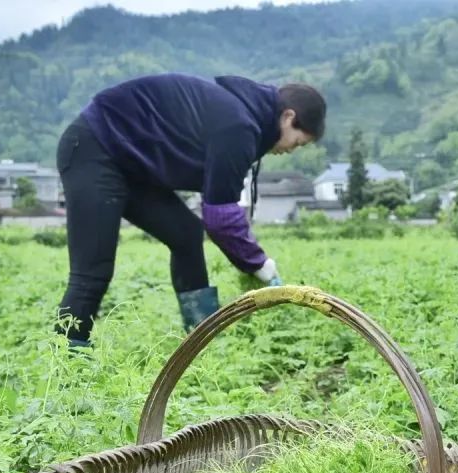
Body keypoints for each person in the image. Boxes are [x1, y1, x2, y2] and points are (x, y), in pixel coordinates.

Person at [56, 73, 326, 345]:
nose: (292, 150)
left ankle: (201, 339)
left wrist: (253, 262)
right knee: (93, 271)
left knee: (186, 234)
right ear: (288, 117)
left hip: (133, 167)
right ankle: (67, 360)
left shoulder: (246, 122)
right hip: (93, 149)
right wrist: (258, 263)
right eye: (298, 142)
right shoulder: (239, 126)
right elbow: (220, 217)